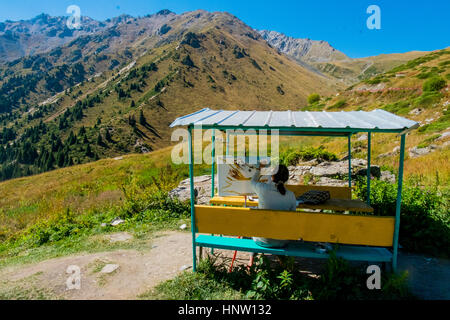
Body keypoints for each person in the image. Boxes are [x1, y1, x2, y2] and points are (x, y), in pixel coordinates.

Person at [250, 162, 297, 248]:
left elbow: (252, 182)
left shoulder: (262, 189)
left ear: (272, 176)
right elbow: (293, 216)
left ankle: (252, 256)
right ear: (286, 178)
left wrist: (259, 170)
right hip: (284, 240)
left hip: (264, 240)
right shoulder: (291, 195)